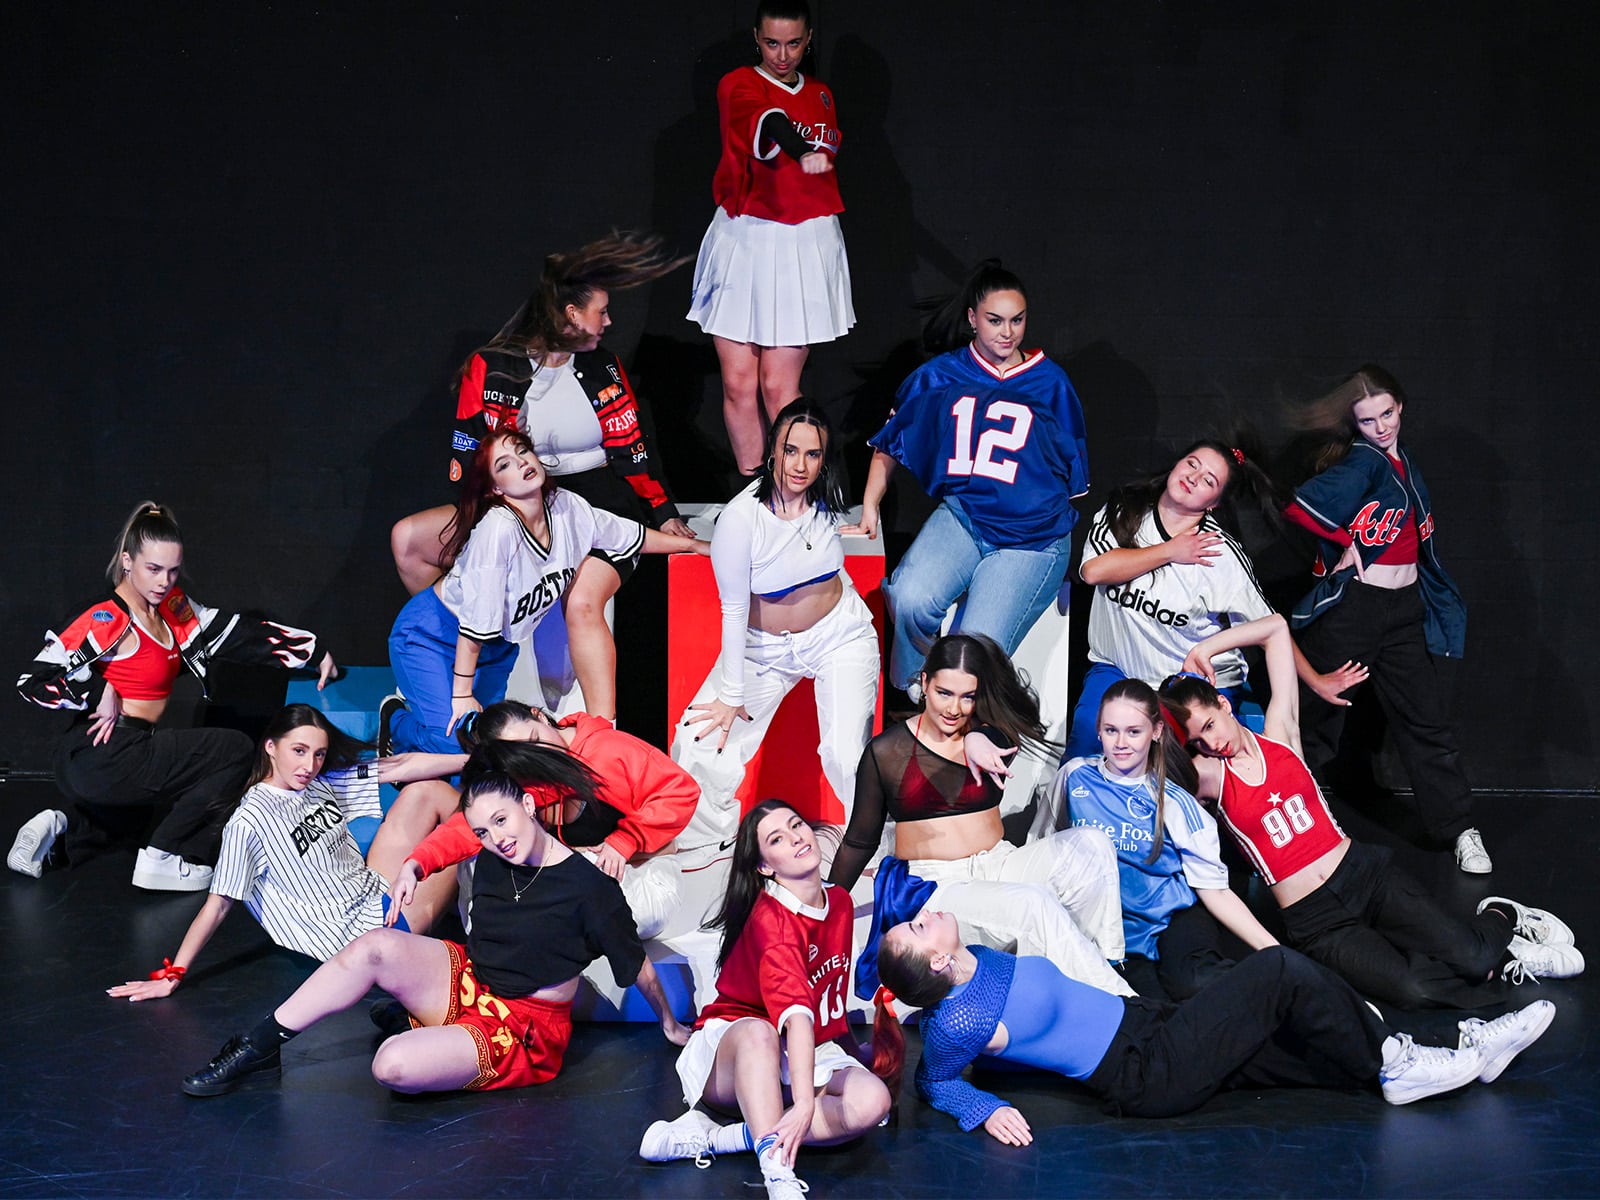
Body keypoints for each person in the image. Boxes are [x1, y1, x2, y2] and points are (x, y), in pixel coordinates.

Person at [176, 757, 690, 1098]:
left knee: (391, 1067)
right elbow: (447, 841)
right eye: (484, 831)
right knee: (374, 944)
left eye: (504, 821)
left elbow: (635, 963)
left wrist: (669, 1021)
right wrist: (413, 867)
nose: (498, 839)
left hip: (522, 1029)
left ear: (528, 807)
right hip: (470, 977)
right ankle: (257, 1047)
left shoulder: (590, 888)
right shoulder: (490, 849)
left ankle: (418, 1027)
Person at [1157, 613, 1582, 1008]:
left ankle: (1501, 916)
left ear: (1224, 705)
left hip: (1364, 874)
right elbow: (1155, 759)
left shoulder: (1280, 734)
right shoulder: (1211, 776)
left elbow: (1275, 630)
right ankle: (1500, 961)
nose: (1210, 743)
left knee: (1468, 956)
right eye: (1197, 740)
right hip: (1315, 920)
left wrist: (1206, 649)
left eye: (1210, 725)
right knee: (1410, 991)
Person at [878, 908, 1556, 1142]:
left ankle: (1465, 1044)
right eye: (916, 927)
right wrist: (984, 1107)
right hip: (1146, 1072)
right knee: (1280, 972)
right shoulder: (957, 1018)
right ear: (935, 959)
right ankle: (1399, 1064)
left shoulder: (981, 960)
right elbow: (935, 1081)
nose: (925, 914)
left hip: (1150, 1024)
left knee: (1305, 1041)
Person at [390, 231, 693, 720]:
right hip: (516, 500)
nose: (609, 321)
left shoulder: (604, 367)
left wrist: (664, 514)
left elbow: (637, 448)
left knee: (581, 600)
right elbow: (467, 445)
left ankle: (601, 733)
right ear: (571, 316)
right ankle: (463, 659)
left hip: (599, 497)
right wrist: (476, 518)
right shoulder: (491, 368)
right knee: (408, 540)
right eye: (601, 311)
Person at [11, 502, 335, 891]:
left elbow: (235, 635)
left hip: (112, 761)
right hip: (104, 751)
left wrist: (312, 652)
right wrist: (98, 689)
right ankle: (165, 855)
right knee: (234, 749)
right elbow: (34, 679)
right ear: (127, 562)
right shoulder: (108, 617)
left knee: (135, 816)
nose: (164, 581)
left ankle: (57, 827)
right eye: (153, 569)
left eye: (173, 570)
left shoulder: (172, 611)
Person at [830, 633, 1132, 996]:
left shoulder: (991, 733)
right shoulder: (886, 751)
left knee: (1092, 845)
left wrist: (978, 737)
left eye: (967, 696)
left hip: (1000, 863)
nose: (954, 708)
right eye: (944, 693)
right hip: (940, 887)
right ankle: (1123, 1004)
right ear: (924, 683)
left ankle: (1108, 966)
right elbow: (859, 842)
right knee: (1032, 905)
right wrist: (823, 905)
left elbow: (1001, 736)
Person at [104, 705, 466, 1001]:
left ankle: (489, 863)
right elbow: (218, 905)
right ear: (271, 747)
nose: (309, 765)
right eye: (299, 751)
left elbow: (398, 766)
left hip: (374, 888)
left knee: (426, 791)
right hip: (369, 933)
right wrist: (174, 974)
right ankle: (497, 889)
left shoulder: (317, 783)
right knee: (464, 845)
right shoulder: (249, 822)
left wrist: (478, 760)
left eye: (318, 754)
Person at [385, 429, 705, 756]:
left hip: (496, 648)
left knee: (491, 748)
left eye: (522, 451)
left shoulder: (567, 507)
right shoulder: (499, 529)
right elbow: (476, 621)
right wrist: (462, 694)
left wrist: (692, 544)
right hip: (433, 634)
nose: (522, 463)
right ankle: (396, 720)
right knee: (455, 742)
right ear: (496, 487)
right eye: (505, 464)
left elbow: (629, 535)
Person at [1285, 365, 1489, 874]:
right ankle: (1287, 828)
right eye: (1367, 420)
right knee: (1318, 719)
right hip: (1356, 612)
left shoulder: (1405, 464)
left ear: (1401, 407)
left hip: (1404, 614)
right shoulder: (1364, 461)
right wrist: (1339, 543)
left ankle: (1459, 828)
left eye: (1387, 413)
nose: (1380, 427)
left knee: (1427, 722)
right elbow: (1301, 508)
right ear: (1354, 425)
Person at [638, 800, 893, 1200]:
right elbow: (796, 1019)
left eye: (796, 825)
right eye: (777, 838)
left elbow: (827, 995)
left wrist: (849, 1050)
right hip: (735, 1050)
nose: (795, 838)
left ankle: (722, 1137)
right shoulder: (770, 919)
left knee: (872, 1101)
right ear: (764, 866)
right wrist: (806, 1102)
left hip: (800, 1050)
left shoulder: (839, 903)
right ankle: (777, 1171)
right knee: (760, 1033)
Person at [857, 260, 1089, 689]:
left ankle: (959, 711)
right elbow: (890, 441)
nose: (1007, 332)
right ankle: (916, 690)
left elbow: (1070, 477)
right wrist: (871, 504)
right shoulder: (941, 376)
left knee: (970, 655)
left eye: (1017, 320)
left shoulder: (1050, 383)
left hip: (1031, 540)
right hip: (965, 517)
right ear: (972, 319)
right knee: (909, 599)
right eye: (995, 320)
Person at [1064, 437, 1367, 760]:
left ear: (1214, 503)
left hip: (1193, 681)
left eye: (1209, 480)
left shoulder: (1220, 554)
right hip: (1120, 669)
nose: (1193, 478)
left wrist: (1317, 682)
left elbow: (1269, 628)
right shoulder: (1126, 510)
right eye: (1192, 464)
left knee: (1188, 769)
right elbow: (1094, 572)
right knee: (1087, 735)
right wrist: (1170, 552)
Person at [672, 398, 878, 862]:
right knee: (697, 739)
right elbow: (732, 608)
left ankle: (865, 842)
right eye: (790, 451)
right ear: (772, 450)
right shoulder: (741, 518)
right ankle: (709, 839)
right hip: (762, 649)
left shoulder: (827, 495)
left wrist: (870, 508)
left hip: (836, 636)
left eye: (812, 454)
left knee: (847, 753)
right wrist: (731, 693)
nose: (800, 465)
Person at [688, 1, 854, 478]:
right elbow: (773, 122)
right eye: (772, 43)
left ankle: (792, 491)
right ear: (757, 39)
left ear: (809, 40)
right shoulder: (738, 83)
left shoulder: (821, 95)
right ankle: (754, 493)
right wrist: (803, 151)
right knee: (739, 384)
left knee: (779, 387)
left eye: (795, 43)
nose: (783, 55)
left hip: (802, 243)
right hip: (746, 237)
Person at [390, 701, 699, 939]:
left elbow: (680, 791)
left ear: (538, 715)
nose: (541, 751)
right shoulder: (533, 771)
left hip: (646, 877)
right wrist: (417, 863)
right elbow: (471, 825)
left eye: (536, 737)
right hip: (592, 881)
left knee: (593, 887)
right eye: (527, 752)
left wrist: (625, 841)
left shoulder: (610, 749)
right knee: (481, 860)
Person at [1055, 678, 1279, 1000]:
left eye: (1134, 731)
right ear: (1098, 731)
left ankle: (1279, 996)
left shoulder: (1175, 802)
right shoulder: (1074, 776)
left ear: (1156, 732)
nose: (1121, 743)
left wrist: (1274, 952)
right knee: (1142, 1005)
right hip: (1114, 924)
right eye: (1111, 730)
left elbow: (1214, 891)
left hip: (1174, 917)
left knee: (1196, 983)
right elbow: (1051, 844)